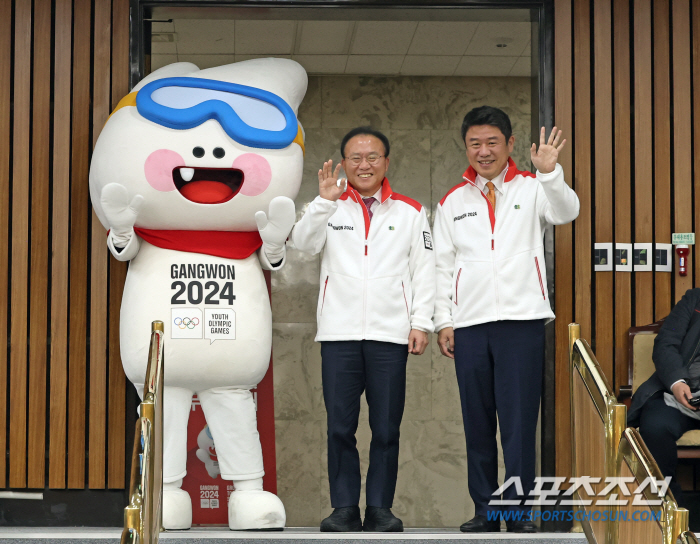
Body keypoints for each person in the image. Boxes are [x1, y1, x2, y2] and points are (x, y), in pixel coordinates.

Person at [433, 106, 579, 533]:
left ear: (511, 144)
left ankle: (517, 513)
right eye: (475, 144)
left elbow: (566, 211)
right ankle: (485, 510)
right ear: (466, 147)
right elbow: (443, 265)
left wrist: (550, 173)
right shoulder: (451, 202)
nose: (483, 151)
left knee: (518, 424)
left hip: (521, 323)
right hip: (471, 325)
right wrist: (445, 320)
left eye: (492, 142)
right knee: (477, 422)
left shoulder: (533, 188)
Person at [290, 127, 435, 532]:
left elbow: (424, 272)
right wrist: (321, 202)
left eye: (372, 156)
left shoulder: (409, 211)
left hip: (390, 336)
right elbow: (301, 246)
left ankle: (379, 509)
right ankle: (344, 509)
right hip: (339, 335)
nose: (364, 164)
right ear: (343, 163)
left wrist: (421, 322)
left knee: (386, 427)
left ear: (386, 162)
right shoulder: (329, 207)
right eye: (355, 157)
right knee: (340, 426)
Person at [628, 288, 700, 506]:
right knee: (655, 426)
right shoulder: (694, 299)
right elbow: (666, 343)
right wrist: (677, 382)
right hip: (680, 396)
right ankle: (668, 507)